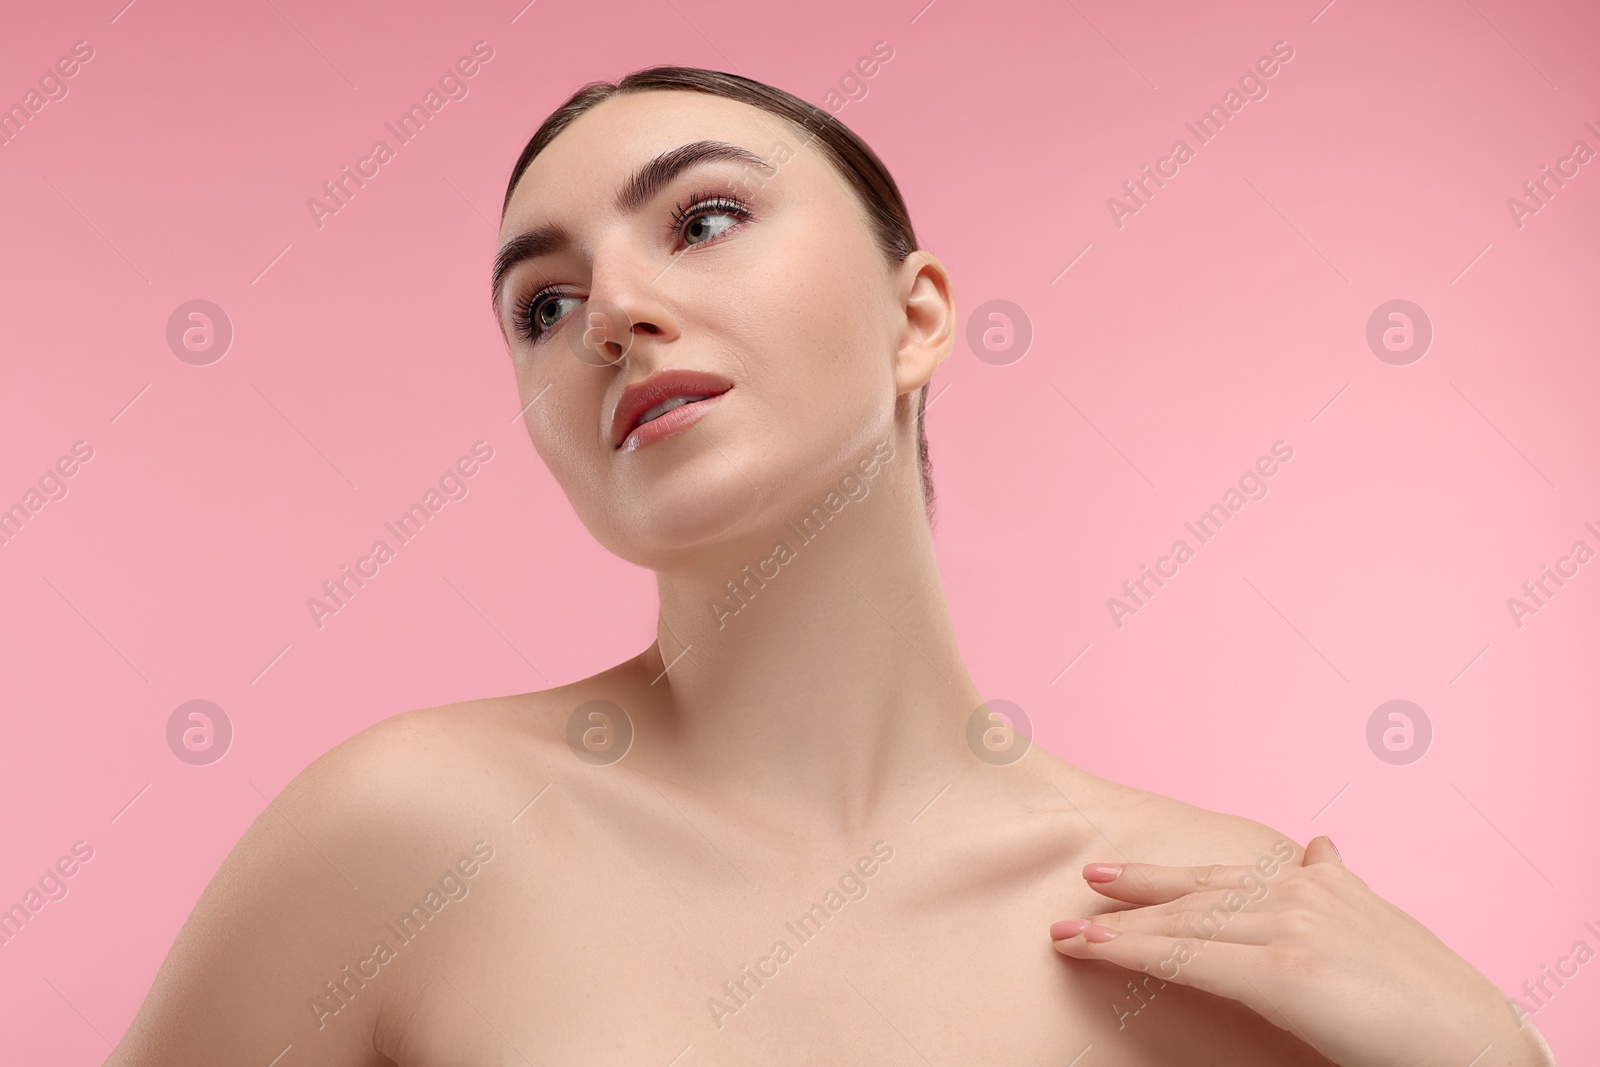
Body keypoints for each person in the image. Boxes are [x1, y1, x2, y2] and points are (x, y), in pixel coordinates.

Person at [108, 66, 1558, 1066]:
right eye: (543, 305)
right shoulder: (406, 835)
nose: (614, 309)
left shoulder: (1218, 918)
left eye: (707, 219)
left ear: (917, 313)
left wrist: (1493, 1058)